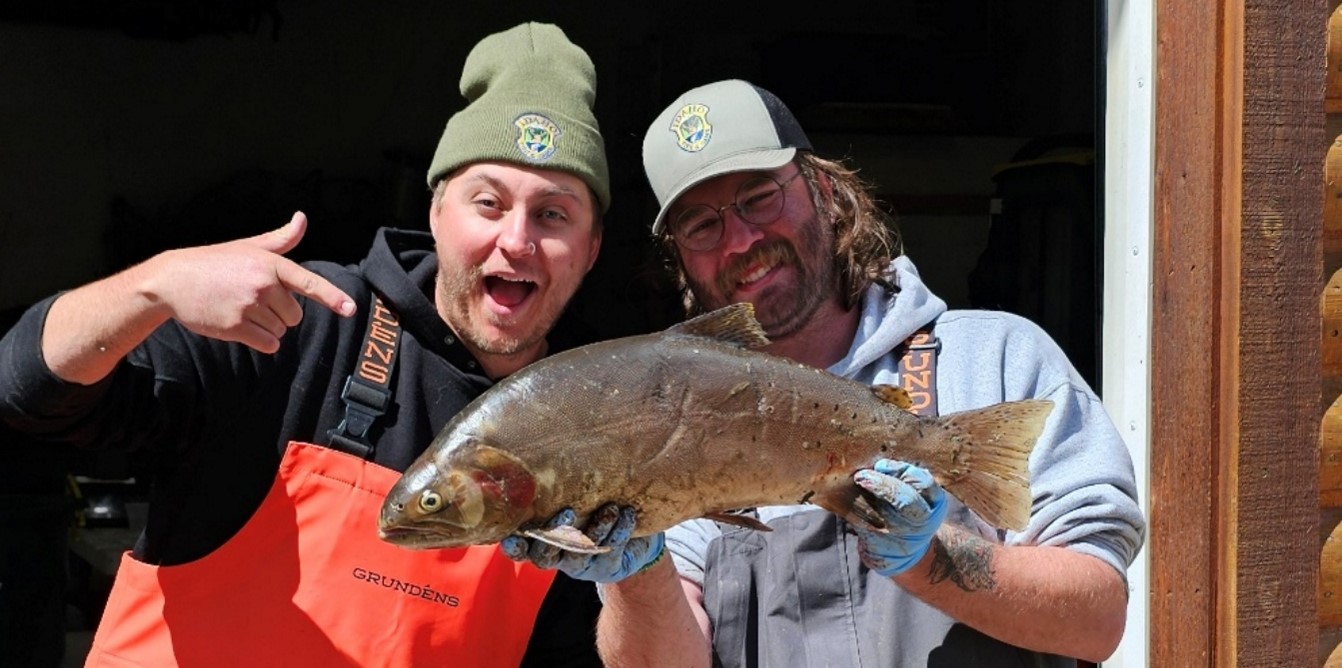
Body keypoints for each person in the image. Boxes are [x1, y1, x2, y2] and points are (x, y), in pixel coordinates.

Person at [0, 22, 611, 667]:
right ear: (435, 212)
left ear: (593, 248)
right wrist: (153, 287)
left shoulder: (587, 434)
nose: (517, 240)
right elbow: (27, 392)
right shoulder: (294, 323)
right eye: (488, 202)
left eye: (553, 214)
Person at [504, 79, 1146, 666]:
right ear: (680, 260)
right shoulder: (669, 416)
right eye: (702, 225)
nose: (740, 241)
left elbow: (1097, 618)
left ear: (827, 192)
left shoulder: (998, 358)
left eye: (759, 197)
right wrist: (635, 573)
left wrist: (931, 558)